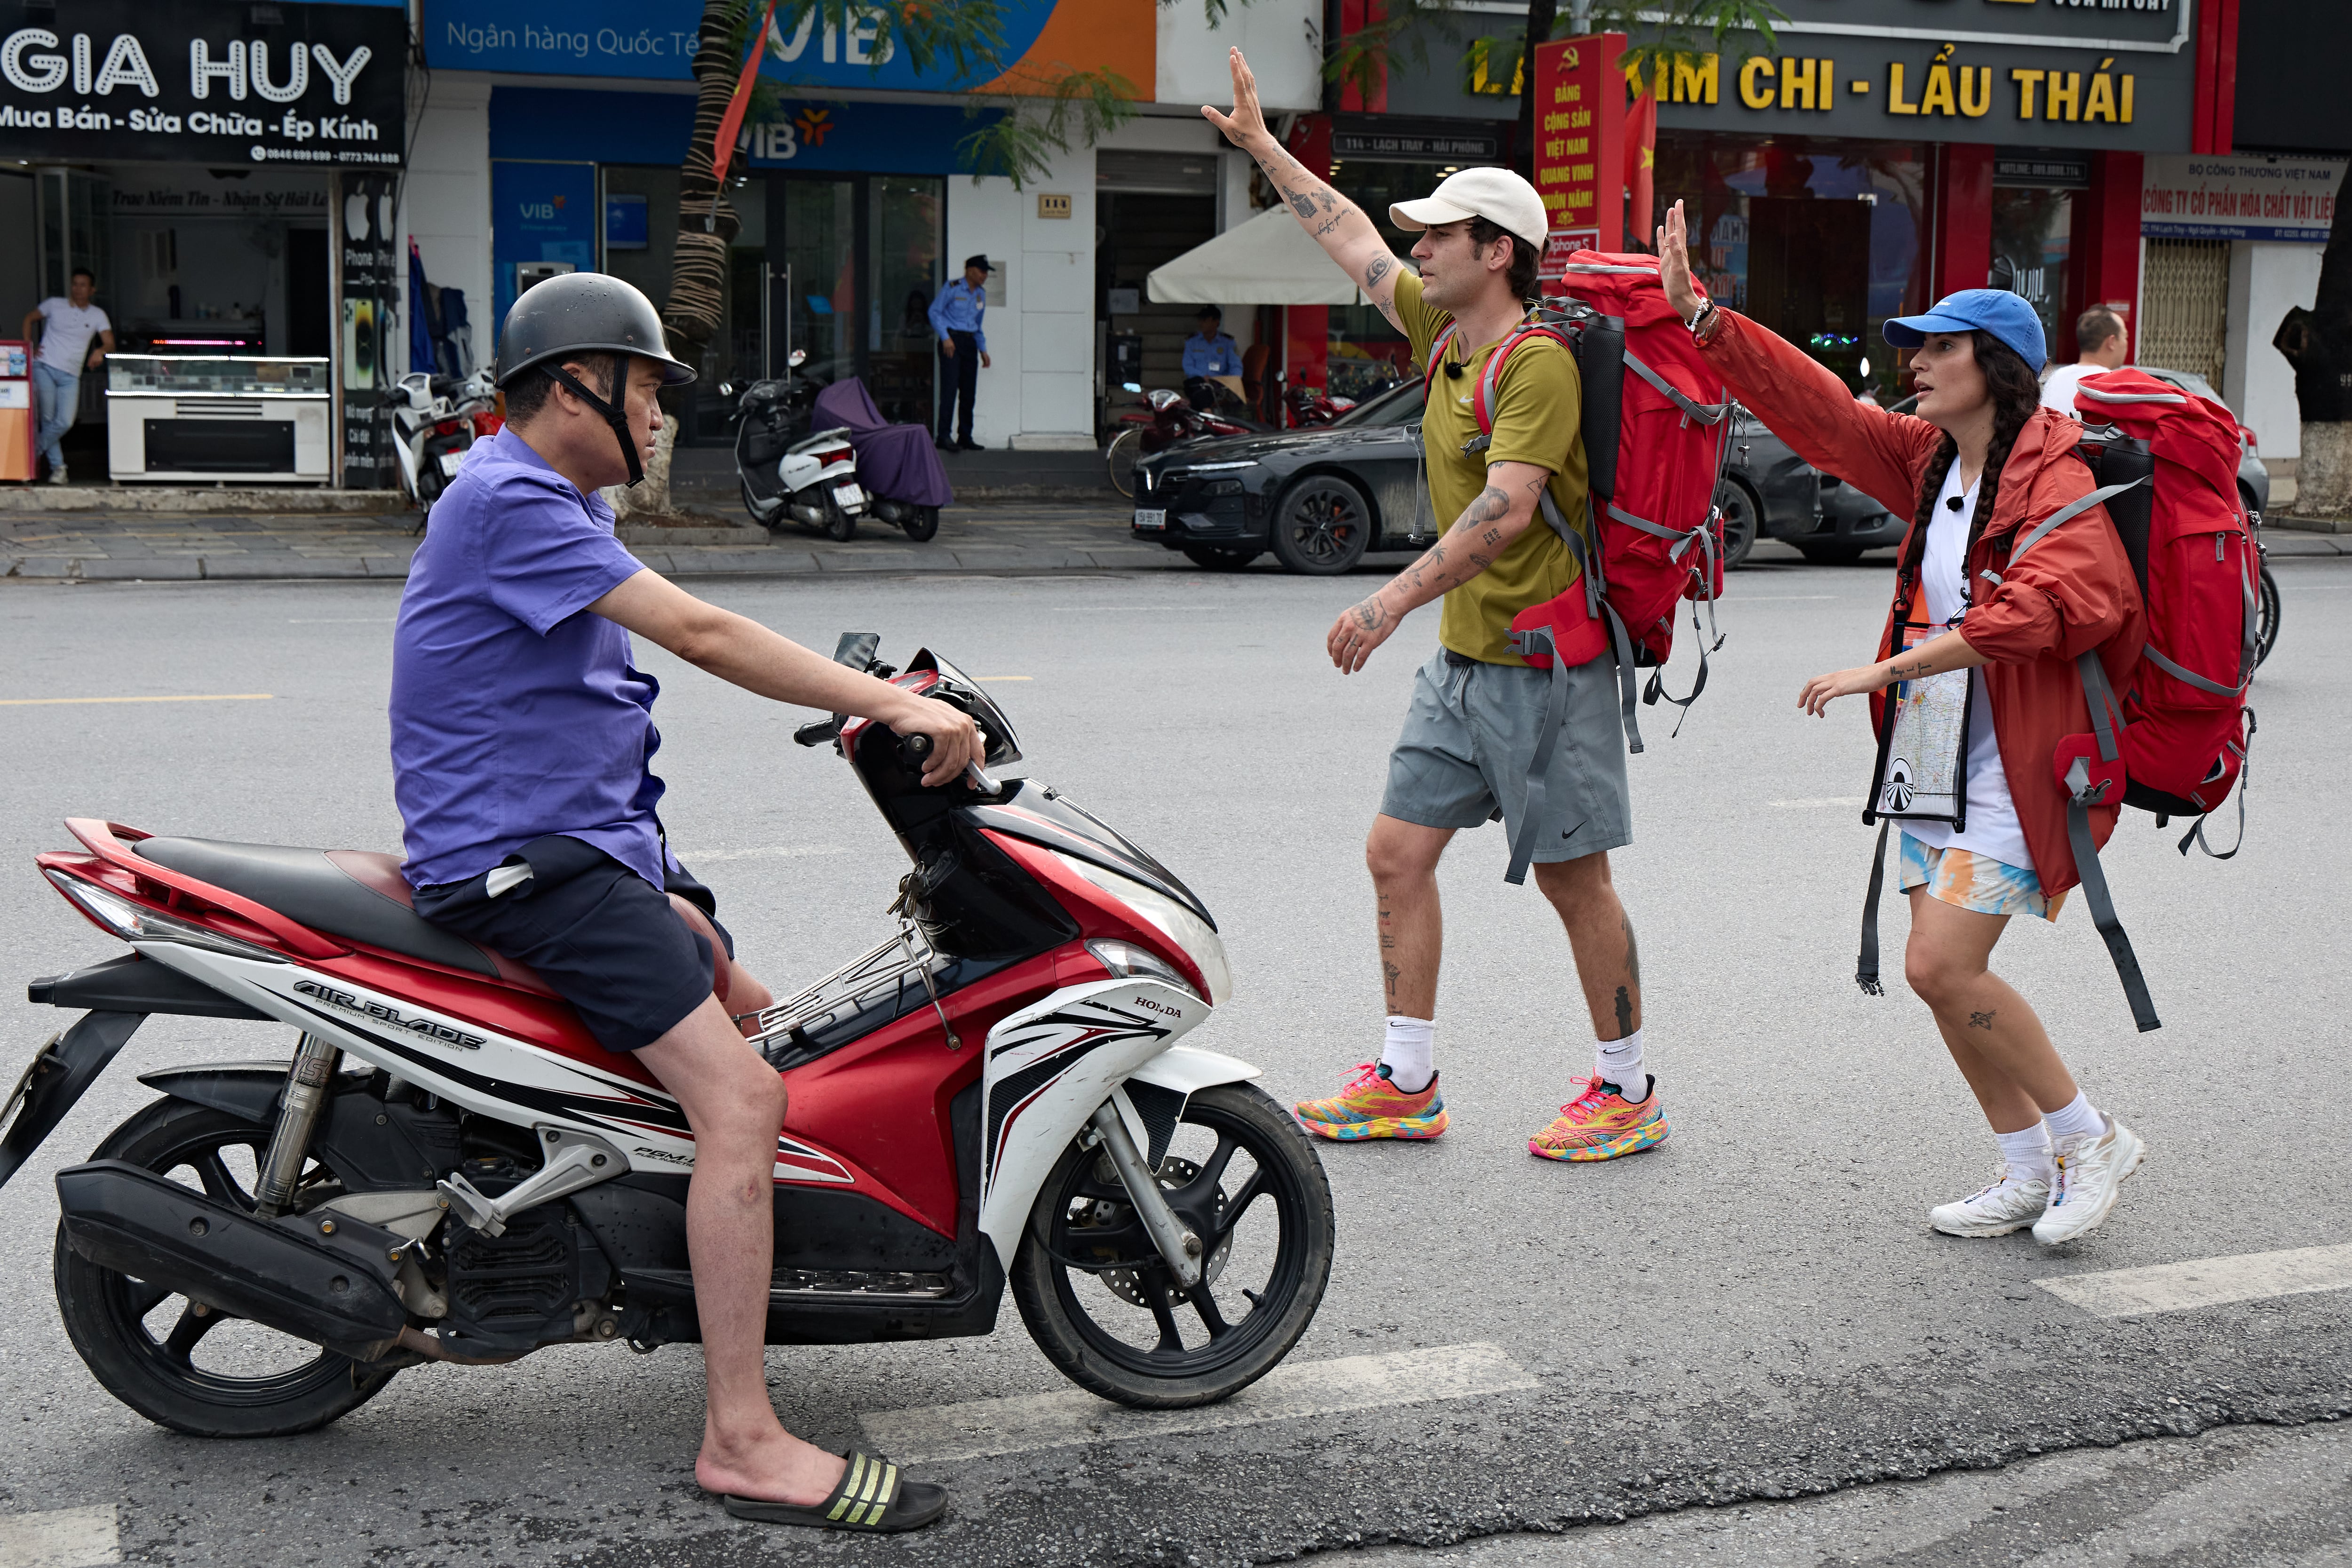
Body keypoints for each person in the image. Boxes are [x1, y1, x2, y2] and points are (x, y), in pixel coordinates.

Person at [390, 272, 978, 1532]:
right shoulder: (512, 497)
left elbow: (592, 711)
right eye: (648, 389)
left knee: (762, 1015)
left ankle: (714, 1262)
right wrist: (889, 704)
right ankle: (743, 1434)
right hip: (526, 861)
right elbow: (702, 633)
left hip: (576, 849)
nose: (660, 418)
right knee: (745, 1095)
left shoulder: (555, 501)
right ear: (572, 387)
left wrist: (670, 892)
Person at [1658, 200, 2148, 1244]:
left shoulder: (2054, 473)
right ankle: (2025, 1166)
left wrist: (1887, 664)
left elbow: (2058, 607)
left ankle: (2090, 1135)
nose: (1917, 361)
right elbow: (1822, 414)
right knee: (1940, 974)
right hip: (1932, 750)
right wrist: (1706, 319)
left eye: (1939, 347)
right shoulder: (1934, 459)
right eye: (1915, 347)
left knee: (1938, 965)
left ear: (1998, 365)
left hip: (2020, 761)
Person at [1206, 49, 1665, 1164]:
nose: (1415, 251)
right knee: (1396, 854)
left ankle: (1627, 1088)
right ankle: (1407, 1081)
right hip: (1466, 667)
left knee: (1572, 881)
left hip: (1545, 670)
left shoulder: (1535, 362)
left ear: (1495, 252)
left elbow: (1506, 513)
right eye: (1419, 238)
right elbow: (1348, 238)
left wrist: (1385, 603)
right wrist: (1265, 147)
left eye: (1438, 237)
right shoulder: (1445, 332)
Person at [20, 269, 113, 485]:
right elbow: (29, 318)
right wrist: (29, 347)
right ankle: (59, 469)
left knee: (65, 422)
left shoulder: (97, 314)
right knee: (48, 419)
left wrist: (100, 351)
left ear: (92, 290)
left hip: (71, 375)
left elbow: (110, 342)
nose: (77, 289)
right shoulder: (54, 304)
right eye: (74, 284)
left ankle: (31, 453)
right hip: (44, 367)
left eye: (83, 285)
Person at [927, 255, 992, 451]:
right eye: (982, 271)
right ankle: (944, 436)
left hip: (970, 343)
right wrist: (945, 337)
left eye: (986, 272)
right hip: (952, 342)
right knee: (949, 390)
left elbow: (978, 325)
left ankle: (965, 435)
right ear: (970, 270)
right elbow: (934, 312)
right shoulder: (953, 287)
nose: (985, 275)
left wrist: (983, 349)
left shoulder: (981, 295)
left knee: (968, 392)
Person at [2039, 307, 2130, 418]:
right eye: (2125, 337)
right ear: (2111, 342)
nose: (2126, 343)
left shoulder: (2057, 377)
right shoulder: (2114, 384)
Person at [1182, 305, 1242, 408]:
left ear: (1216, 323)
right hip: (1198, 383)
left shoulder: (1227, 342)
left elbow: (1236, 366)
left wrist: (1230, 381)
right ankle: (1207, 411)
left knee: (1203, 396)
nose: (1201, 323)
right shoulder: (1192, 342)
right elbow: (1187, 366)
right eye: (1200, 320)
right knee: (1198, 386)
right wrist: (1204, 377)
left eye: (1205, 320)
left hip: (1219, 385)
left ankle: (1206, 412)